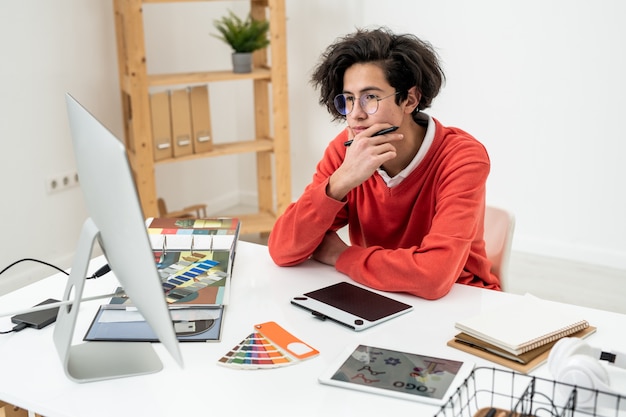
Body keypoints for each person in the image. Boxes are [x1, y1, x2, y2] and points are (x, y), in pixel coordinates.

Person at [268, 27, 500, 300]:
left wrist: (340, 254)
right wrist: (340, 182)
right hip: (376, 292)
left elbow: (433, 277)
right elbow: (283, 250)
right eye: (349, 99)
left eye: (371, 98)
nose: (355, 115)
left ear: (410, 100)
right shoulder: (347, 151)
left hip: (460, 302)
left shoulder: (462, 157)